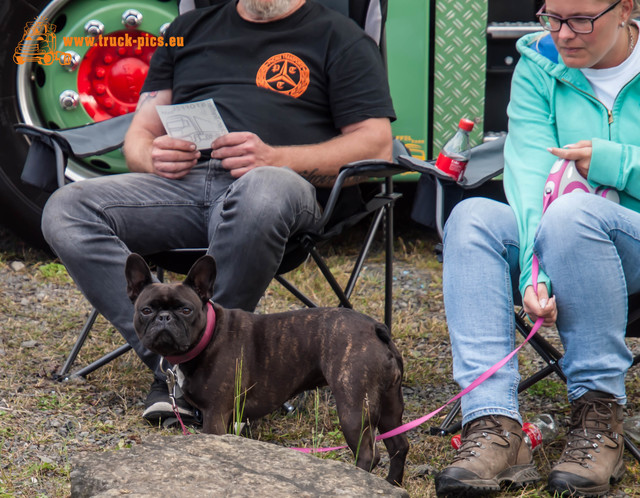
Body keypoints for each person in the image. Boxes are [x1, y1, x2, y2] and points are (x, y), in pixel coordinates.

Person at [41, 0, 395, 425]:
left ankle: (214, 374)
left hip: (281, 185)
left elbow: (376, 145)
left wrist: (276, 158)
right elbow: (140, 134)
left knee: (263, 190)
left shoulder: (340, 37)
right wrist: (152, 156)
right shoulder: (187, 29)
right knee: (66, 208)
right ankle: (174, 362)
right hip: (183, 186)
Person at [435, 0, 640, 496]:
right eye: (552, 17)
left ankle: (599, 418)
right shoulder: (537, 65)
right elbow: (528, 181)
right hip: (561, 237)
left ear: (627, 7)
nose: (564, 34)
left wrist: (616, 163)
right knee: (472, 218)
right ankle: (494, 425)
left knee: (574, 214)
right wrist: (533, 270)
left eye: (581, 20)